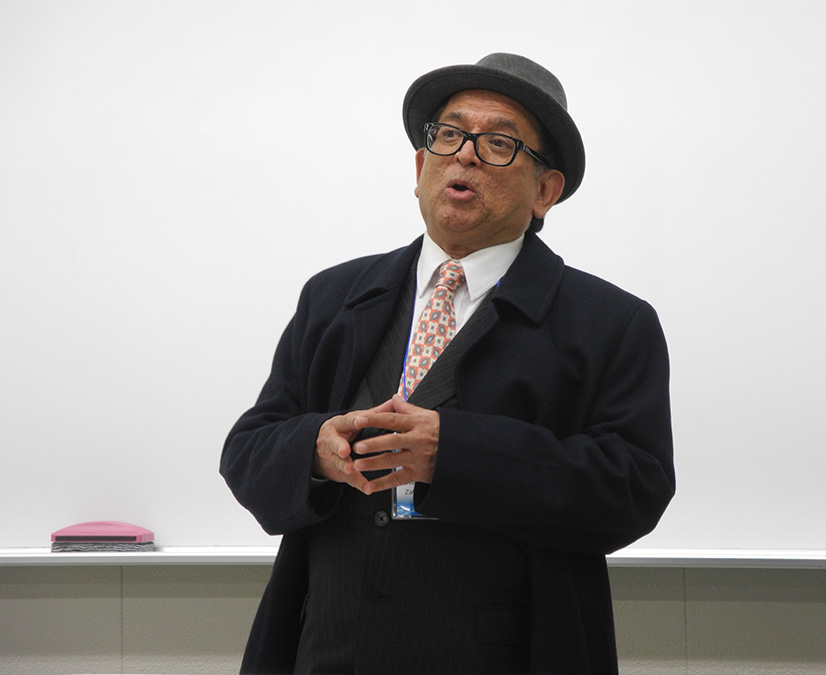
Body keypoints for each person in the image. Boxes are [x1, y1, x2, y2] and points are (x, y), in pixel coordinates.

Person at [221, 52, 675, 675]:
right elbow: (248, 449)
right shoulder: (334, 297)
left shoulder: (611, 322)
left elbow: (634, 488)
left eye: (499, 144)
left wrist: (454, 454)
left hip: (507, 654)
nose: (465, 156)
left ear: (546, 191)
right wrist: (316, 450)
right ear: (419, 167)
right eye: (450, 135)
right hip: (327, 647)